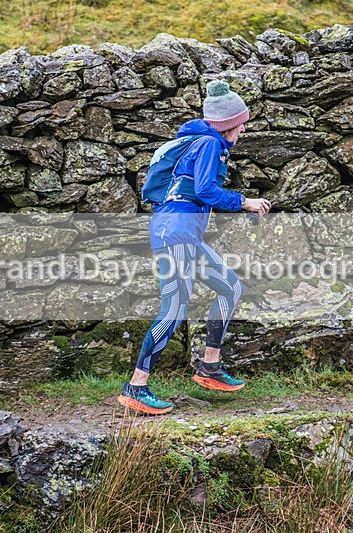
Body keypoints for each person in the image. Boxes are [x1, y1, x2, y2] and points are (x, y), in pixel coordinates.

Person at [117, 79, 272, 415]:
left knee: (230, 287)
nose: (242, 131)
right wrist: (244, 201)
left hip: (185, 234)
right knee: (173, 311)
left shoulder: (198, 141)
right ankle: (136, 387)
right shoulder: (208, 145)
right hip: (176, 233)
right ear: (228, 124)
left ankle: (210, 366)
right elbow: (205, 190)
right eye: (240, 125)